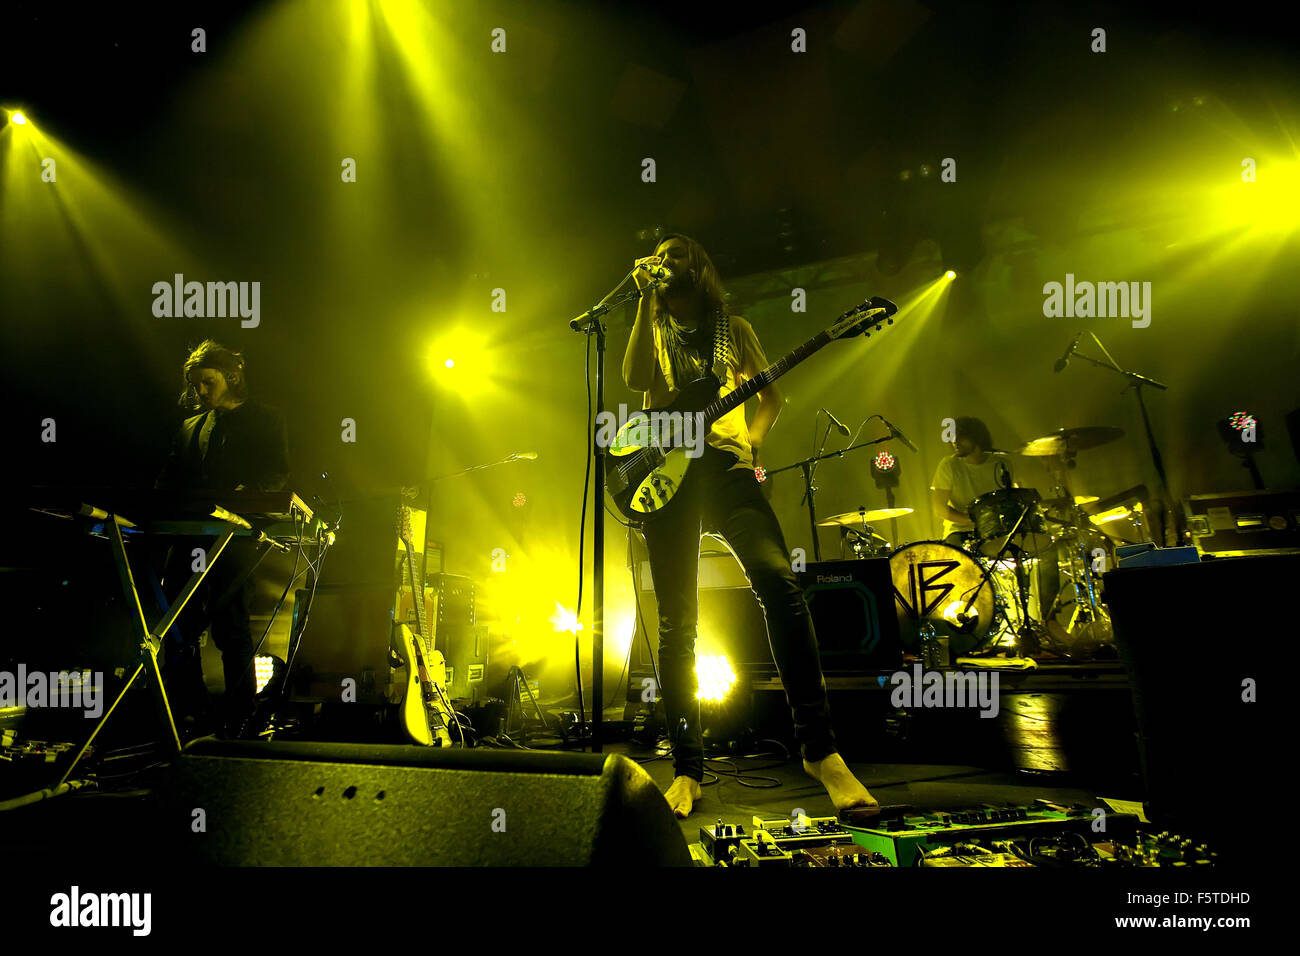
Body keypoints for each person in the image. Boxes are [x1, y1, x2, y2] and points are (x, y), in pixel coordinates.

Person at [621, 233, 877, 819]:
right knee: (676, 620)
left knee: (778, 583)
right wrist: (641, 301)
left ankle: (820, 751)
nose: (665, 262)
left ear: (700, 265)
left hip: (728, 472)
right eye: (658, 254)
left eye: (677, 253)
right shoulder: (653, 328)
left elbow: (772, 398)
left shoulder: (730, 329)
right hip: (667, 478)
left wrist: (752, 444)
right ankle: (687, 767)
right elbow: (636, 378)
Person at [155, 340, 289, 738]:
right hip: (190, 536)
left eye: (207, 383)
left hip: (235, 536)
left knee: (230, 625)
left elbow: (277, 472)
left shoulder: (266, 419)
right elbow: (168, 479)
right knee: (177, 624)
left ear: (231, 376)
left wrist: (249, 493)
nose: (200, 392)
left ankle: (240, 715)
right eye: (195, 385)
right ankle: (191, 711)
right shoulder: (190, 427)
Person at [929, 417, 1014, 547]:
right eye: (952, 437)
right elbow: (939, 508)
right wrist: (973, 520)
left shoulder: (1001, 464)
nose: (954, 441)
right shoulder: (949, 465)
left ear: (977, 437)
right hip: (960, 531)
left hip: (996, 530)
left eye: (960, 437)